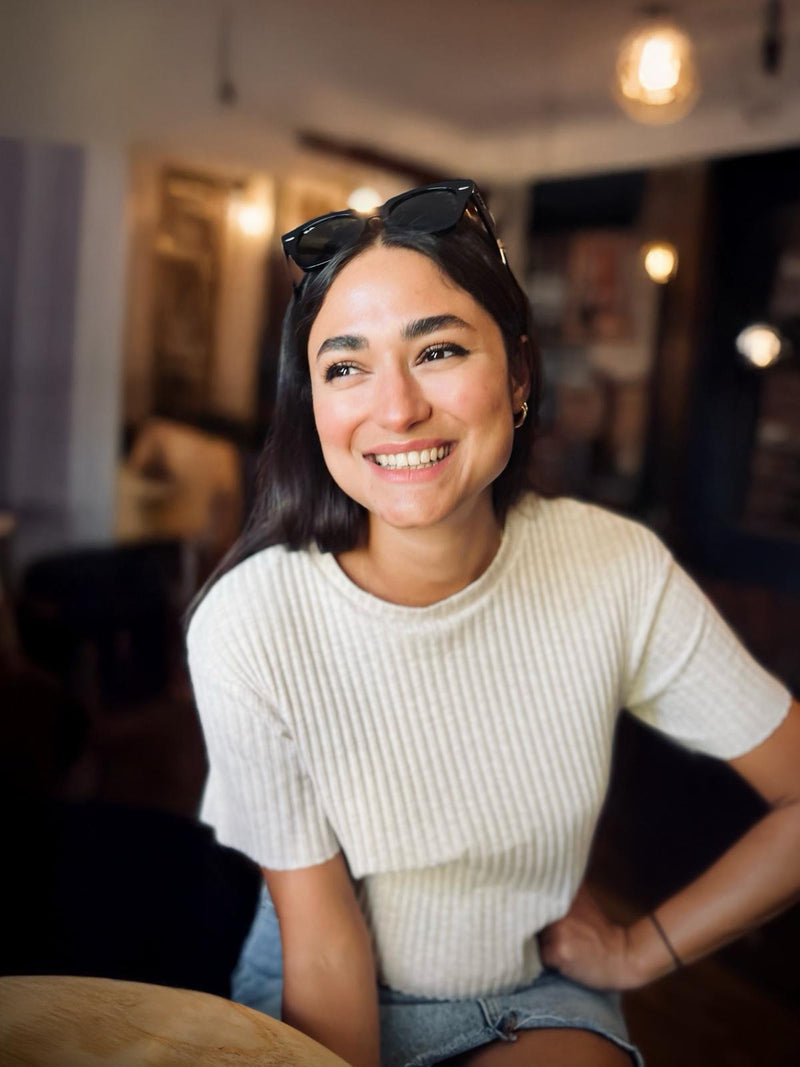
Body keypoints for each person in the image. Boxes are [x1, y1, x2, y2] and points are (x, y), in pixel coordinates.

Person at [186, 180, 799, 1067]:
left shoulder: (612, 570)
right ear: (312, 405)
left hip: (531, 989)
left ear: (516, 375)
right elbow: (322, 945)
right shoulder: (251, 623)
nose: (395, 409)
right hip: (316, 985)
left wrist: (639, 949)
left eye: (436, 350)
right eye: (346, 366)